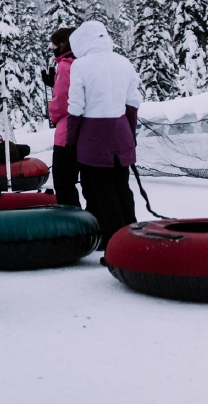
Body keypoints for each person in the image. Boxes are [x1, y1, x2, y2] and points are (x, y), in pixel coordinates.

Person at [65, 20, 141, 250]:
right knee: (123, 188)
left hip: (93, 137)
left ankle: (114, 245)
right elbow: (132, 102)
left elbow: (76, 107)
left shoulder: (81, 66)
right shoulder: (123, 62)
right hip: (121, 131)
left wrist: (71, 140)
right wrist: (130, 134)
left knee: (102, 192)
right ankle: (133, 237)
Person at [44, 27, 80, 207]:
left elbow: (62, 100)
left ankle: (71, 218)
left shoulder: (65, 66)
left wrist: (53, 115)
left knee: (63, 181)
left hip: (66, 133)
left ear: (61, 44)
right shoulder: (80, 63)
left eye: (54, 46)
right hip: (84, 132)